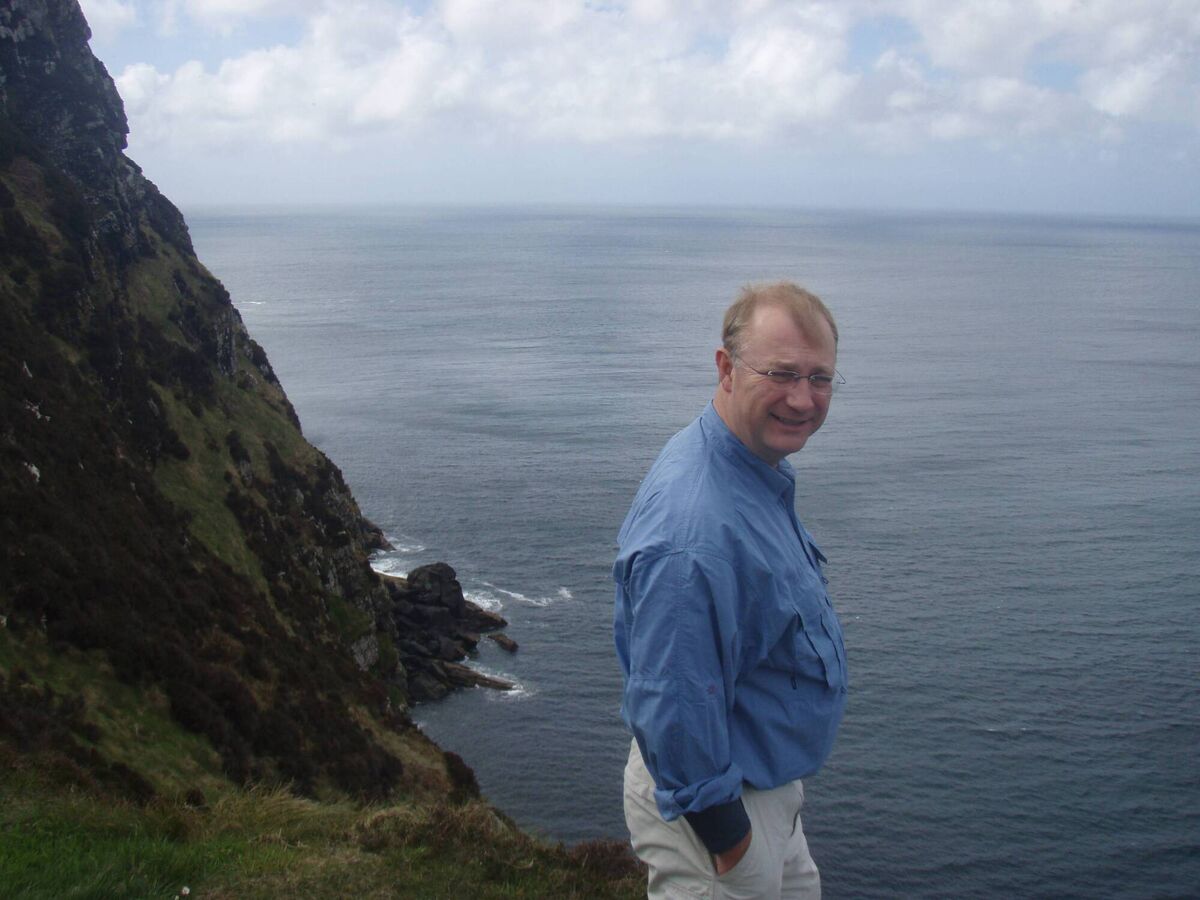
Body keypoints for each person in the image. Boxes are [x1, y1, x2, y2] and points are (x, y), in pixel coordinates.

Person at [613, 282, 849, 899]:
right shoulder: (694, 532)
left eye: (820, 377)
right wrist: (728, 836)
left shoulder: (749, 466)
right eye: (781, 373)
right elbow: (673, 699)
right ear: (725, 368)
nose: (803, 399)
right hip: (718, 809)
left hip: (763, 786)